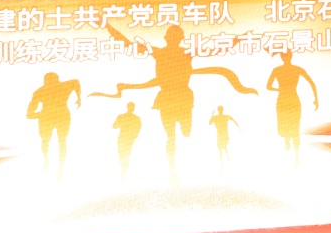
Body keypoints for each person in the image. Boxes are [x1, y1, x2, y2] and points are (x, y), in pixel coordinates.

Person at [93, 24, 256, 181]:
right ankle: (172, 170)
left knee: (184, 132)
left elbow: (216, 48)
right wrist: (108, 26)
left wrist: (240, 39)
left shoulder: (181, 53)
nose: (172, 40)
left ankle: (173, 167)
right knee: (171, 136)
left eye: (174, 37)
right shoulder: (162, 53)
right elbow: (128, 45)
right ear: (170, 39)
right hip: (168, 98)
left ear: (173, 39)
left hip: (181, 97)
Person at [267, 51, 319, 166]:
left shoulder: (289, 69)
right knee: (287, 123)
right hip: (286, 99)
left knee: (295, 125)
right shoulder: (282, 70)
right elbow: (268, 86)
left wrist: (316, 99)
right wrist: (316, 99)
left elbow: (311, 82)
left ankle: (296, 155)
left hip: (289, 98)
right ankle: (288, 140)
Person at [26, 72, 82, 177]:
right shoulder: (62, 86)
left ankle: (54, 164)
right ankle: (54, 164)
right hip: (59, 115)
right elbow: (76, 82)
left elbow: (29, 114)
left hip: (51, 117)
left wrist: (39, 114)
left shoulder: (40, 91)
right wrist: (79, 97)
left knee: (52, 141)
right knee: (59, 141)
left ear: (45, 81)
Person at [112, 101, 142, 178]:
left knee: (124, 155)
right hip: (126, 138)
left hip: (126, 138)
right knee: (123, 155)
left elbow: (138, 129)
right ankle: (123, 171)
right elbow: (114, 126)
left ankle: (123, 172)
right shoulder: (135, 118)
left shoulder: (123, 117)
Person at [208, 105, 240, 171]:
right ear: (222, 110)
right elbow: (233, 120)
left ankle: (224, 164)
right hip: (223, 136)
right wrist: (238, 126)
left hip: (221, 136)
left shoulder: (216, 117)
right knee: (224, 149)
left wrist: (212, 115)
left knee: (222, 149)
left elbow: (210, 123)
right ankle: (226, 163)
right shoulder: (224, 117)